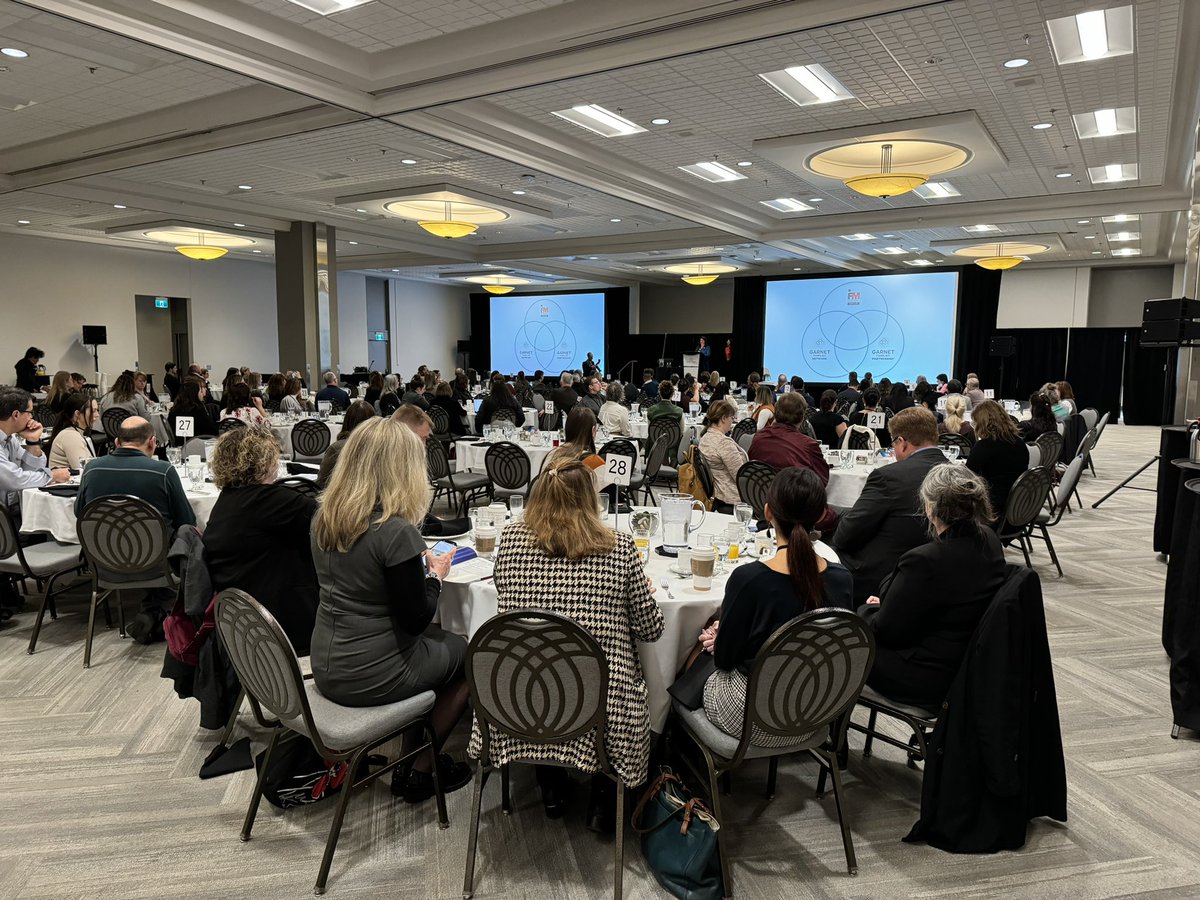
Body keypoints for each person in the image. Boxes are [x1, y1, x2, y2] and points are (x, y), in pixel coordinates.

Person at [470, 454, 664, 826]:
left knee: (547, 663)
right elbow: (651, 630)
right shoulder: (620, 548)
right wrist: (634, 594)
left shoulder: (510, 539)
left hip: (516, 697)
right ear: (592, 500)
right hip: (601, 710)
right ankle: (605, 800)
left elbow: (508, 598)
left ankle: (551, 786)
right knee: (596, 675)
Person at [309, 418, 472, 803]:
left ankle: (410, 750)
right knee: (468, 652)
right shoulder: (395, 530)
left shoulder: (325, 517)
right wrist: (435, 576)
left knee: (438, 643)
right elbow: (415, 620)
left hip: (326, 661)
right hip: (371, 673)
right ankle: (419, 768)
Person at [699, 468, 853, 742]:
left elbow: (724, 661)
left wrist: (721, 636)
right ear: (819, 516)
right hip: (814, 712)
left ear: (768, 512)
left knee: (696, 656)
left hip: (752, 718)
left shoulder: (750, 579)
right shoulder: (842, 578)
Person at [859, 465, 1007, 708]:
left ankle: (828, 735)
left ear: (930, 508)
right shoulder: (990, 540)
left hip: (924, 675)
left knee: (838, 648)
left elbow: (887, 632)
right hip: (967, 665)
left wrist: (867, 610)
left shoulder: (924, 561)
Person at [74, 416, 195, 643]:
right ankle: (172, 614)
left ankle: (151, 612)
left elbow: (80, 512)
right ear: (152, 442)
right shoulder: (163, 471)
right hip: (158, 566)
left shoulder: (91, 469)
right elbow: (186, 520)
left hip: (104, 563)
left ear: (117, 442)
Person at [204, 426, 319, 653]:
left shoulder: (227, 502)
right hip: (282, 624)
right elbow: (334, 525)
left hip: (243, 622)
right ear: (264, 462)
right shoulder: (274, 501)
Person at [832, 407, 950, 604]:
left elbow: (845, 536)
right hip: (942, 575)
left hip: (886, 579)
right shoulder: (961, 474)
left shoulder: (888, 476)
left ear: (902, 443)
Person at [747, 392, 836, 529]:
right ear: (802, 417)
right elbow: (821, 481)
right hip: (797, 510)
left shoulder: (759, 437)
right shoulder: (808, 445)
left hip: (763, 503)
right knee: (839, 515)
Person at [1, 387, 67, 510]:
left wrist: (33, 441)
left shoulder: (9, 439)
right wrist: (52, 476)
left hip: (10, 511)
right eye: (30, 412)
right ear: (16, 414)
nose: (32, 417)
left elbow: (31, 473)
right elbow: (14, 479)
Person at [966, 400, 1029, 522]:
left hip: (991, 513)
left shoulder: (984, 446)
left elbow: (966, 477)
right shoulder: (1020, 443)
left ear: (981, 423)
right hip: (1018, 510)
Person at [697, 399, 748, 513]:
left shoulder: (705, 438)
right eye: (732, 418)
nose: (732, 422)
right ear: (724, 418)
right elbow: (740, 476)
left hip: (718, 495)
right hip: (732, 498)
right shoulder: (723, 443)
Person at [316, 399, 378, 489]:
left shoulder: (337, 448)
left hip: (341, 499)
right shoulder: (381, 448)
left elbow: (322, 483)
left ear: (347, 421)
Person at [47, 393, 99, 470]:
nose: (97, 414)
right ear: (77, 414)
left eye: (97, 410)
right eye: (93, 411)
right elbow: (84, 470)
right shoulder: (70, 436)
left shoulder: (73, 433)